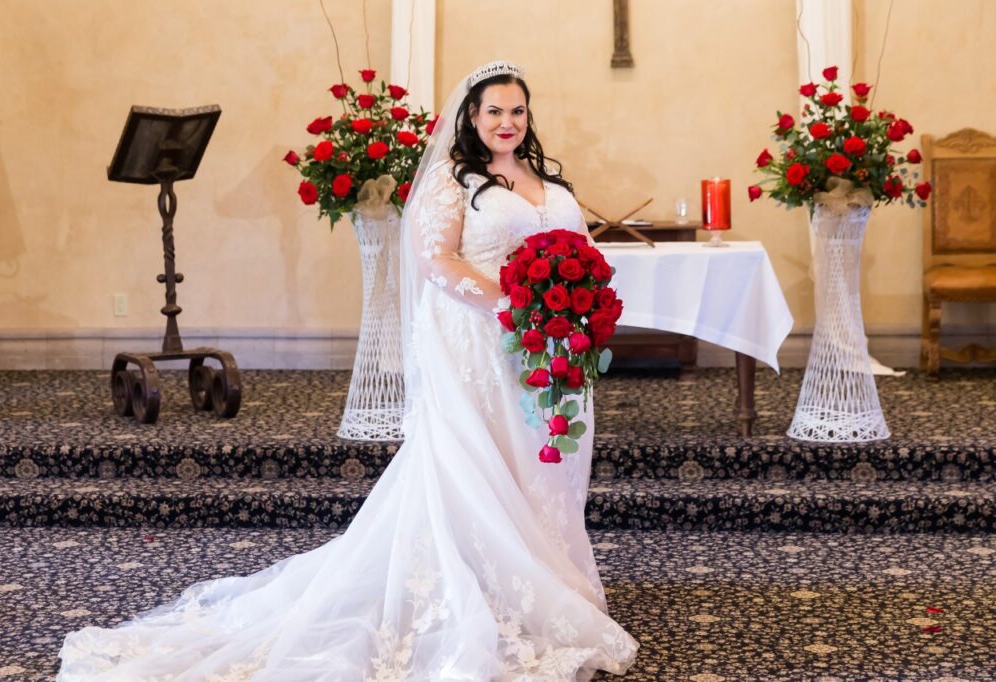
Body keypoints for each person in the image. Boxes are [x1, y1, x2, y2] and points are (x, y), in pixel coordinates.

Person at [57, 60, 637, 681]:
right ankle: (482, 586)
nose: (507, 122)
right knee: (479, 465)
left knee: (538, 463)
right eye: (494, 110)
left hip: (547, 347)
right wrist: (515, 300)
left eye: (517, 111)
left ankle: (545, 576)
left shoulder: (546, 179)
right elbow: (436, 261)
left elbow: (579, 251)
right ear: (471, 116)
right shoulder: (453, 179)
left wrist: (570, 305)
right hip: (479, 343)